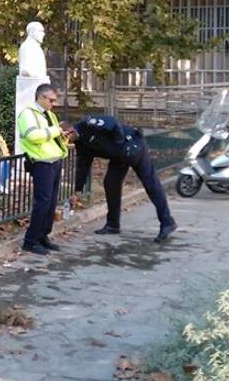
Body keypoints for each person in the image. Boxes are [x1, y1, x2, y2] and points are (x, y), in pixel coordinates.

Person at [63, 115, 178, 243]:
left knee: (151, 184)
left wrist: (120, 144)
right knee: (110, 184)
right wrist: (78, 190)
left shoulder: (88, 123)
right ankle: (113, 225)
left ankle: (167, 222)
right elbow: (83, 166)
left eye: (64, 137)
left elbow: (113, 124)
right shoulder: (81, 143)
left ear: (70, 131)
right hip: (119, 157)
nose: (65, 142)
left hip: (133, 145)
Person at [17, 84, 68, 255]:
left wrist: (62, 134)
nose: (53, 103)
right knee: (43, 202)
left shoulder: (50, 115)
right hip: (41, 163)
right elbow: (33, 136)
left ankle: (43, 236)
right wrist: (55, 130)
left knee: (51, 202)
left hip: (54, 161)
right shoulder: (27, 114)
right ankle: (30, 240)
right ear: (41, 97)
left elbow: (53, 136)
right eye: (51, 100)